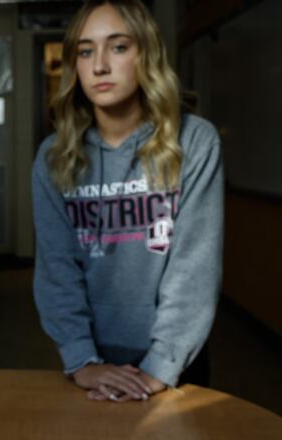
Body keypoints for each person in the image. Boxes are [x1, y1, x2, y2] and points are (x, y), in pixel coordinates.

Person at [32, 0, 223, 403]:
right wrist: (81, 359)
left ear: (146, 55)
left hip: (176, 365)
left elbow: (193, 267)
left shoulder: (194, 142)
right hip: (89, 363)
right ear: (76, 65)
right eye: (86, 51)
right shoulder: (54, 157)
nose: (100, 65)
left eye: (118, 47)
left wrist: (160, 367)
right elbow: (57, 270)